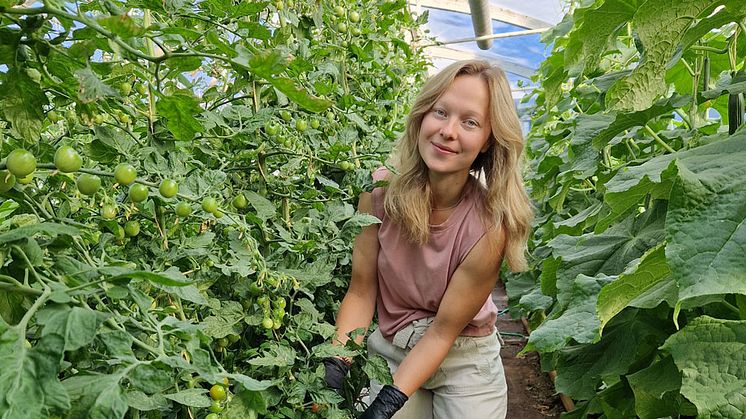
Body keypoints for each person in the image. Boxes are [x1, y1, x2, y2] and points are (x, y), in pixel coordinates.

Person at [324, 60, 532, 419]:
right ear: (422, 116)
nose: (448, 131)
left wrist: (386, 404)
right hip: (393, 348)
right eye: (440, 112)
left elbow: (442, 332)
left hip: (464, 357)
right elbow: (361, 290)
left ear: (487, 141)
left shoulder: (490, 223)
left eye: (470, 122)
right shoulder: (378, 194)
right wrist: (335, 365)